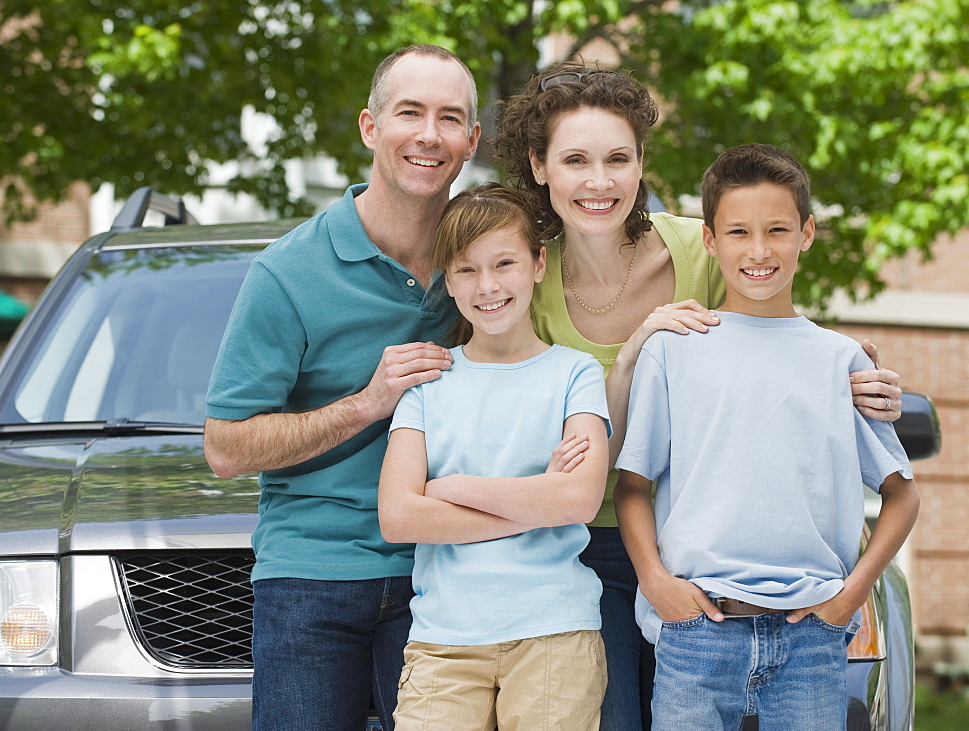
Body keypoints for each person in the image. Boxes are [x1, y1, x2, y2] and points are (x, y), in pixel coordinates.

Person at [490, 62, 905, 730]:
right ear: (540, 167)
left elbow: (773, 336)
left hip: (701, 551)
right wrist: (629, 357)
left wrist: (853, 378)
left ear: (641, 162)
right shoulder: (519, 279)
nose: (600, 182)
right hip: (569, 548)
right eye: (575, 160)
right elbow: (522, 437)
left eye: (618, 158)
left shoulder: (704, 248)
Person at [203, 45, 480, 730]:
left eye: (450, 119)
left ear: (472, 142)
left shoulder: (484, 264)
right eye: (409, 112)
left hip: (441, 570)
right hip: (312, 573)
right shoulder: (287, 273)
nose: (428, 134)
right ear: (369, 127)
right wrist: (368, 401)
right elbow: (226, 448)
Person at [613, 143, 920, 729]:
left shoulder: (842, 359)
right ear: (710, 241)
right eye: (738, 232)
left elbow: (903, 493)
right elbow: (632, 485)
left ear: (806, 233)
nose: (758, 251)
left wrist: (848, 598)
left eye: (777, 230)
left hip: (811, 640)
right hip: (697, 633)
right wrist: (656, 583)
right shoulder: (673, 351)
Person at [378, 183, 611, 730]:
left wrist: (454, 487)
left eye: (504, 263)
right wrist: (536, 501)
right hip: (444, 641)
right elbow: (400, 516)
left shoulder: (574, 373)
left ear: (537, 264)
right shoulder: (427, 383)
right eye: (466, 270)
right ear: (448, 281)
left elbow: (578, 498)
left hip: (555, 631)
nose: (488, 286)